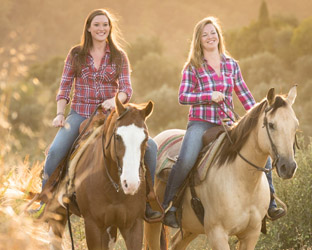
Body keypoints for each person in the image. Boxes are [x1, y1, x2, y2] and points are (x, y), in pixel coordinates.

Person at [30, 9, 160, 220]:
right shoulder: (76, 54)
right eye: (97, 25)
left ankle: (148, 199)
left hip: (112, 115)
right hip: (80, 113)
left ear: (110, 28)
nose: (101, 29)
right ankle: (45, 201)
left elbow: (127, 88)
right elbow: (64, 87)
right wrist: (60, 114)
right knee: (55, 151)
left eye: (105, 25)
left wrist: (116, 99)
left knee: (151, 148)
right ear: (89, 28)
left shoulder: (119, 56)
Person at [162, 17, 285, 228]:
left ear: (219, 37)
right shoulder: (192, 66)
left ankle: (271, 201)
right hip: (200, 123)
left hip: (228, 122)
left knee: (260, 148)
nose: (210, 37)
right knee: (186, 159)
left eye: (213, 33)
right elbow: (183, 96)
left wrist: (257, 116)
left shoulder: (231, 64)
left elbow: (244, 93)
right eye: (205, 34)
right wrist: (209, 95)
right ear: (198, 40)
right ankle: (170, 206)